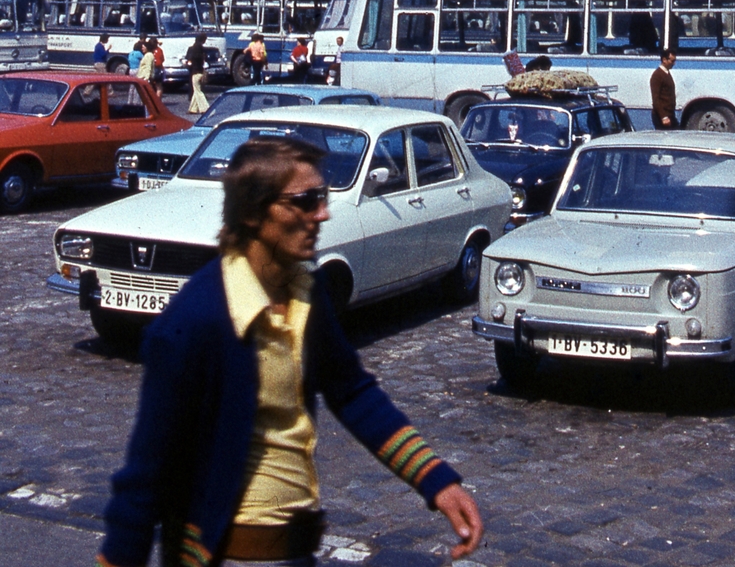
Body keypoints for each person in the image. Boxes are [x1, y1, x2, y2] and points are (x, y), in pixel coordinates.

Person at [96, 137, 483, 567]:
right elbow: (147, 473)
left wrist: (437, 481)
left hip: (297, 552)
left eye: (322, 196)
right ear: (252, 212)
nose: (322, 213)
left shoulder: (306, 292)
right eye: (304, 201)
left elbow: (351, 391)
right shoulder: (198, 319)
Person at [650, 48, 678, 129]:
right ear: (664, 60)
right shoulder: (657, 75)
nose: (674, 63)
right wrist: (663, 117)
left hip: (670, 114)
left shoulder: (667, 73)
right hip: (661, 116)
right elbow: (656, 99)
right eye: (672, 61)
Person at [185, 32, 210, 115]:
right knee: (196, 90)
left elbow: (190, 60)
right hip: (201, 71)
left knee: (198, 91)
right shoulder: (202, 50)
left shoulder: (193, 49)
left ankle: (205, 108)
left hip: (195, 72)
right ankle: (193, 109)